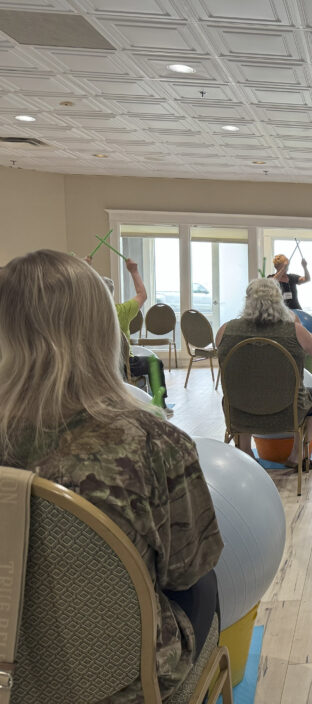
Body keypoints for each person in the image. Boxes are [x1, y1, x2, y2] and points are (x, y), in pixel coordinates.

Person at [0, 250, 223, 702]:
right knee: (206, 577)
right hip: (126, 683)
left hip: (7, 680)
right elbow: (187, 571)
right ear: (105, 330)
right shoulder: (153, 442)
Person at [216, 278, 312, 468]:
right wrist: (298, 323)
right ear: (279, 301)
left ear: (248, 300)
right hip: (288, 411)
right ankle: (297, 454)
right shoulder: (295, 330)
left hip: (239, 412)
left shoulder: (225, 330)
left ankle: (245, 451)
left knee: (244, 385)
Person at [92, 255, 171, 411]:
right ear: (111, 295)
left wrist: (85, 268)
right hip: (123, 364)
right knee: (155, 363)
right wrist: (134, 271)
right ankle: (160, 405)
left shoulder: (87, 313)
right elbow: (142, 295)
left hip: (95, 365)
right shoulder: (121, 311)